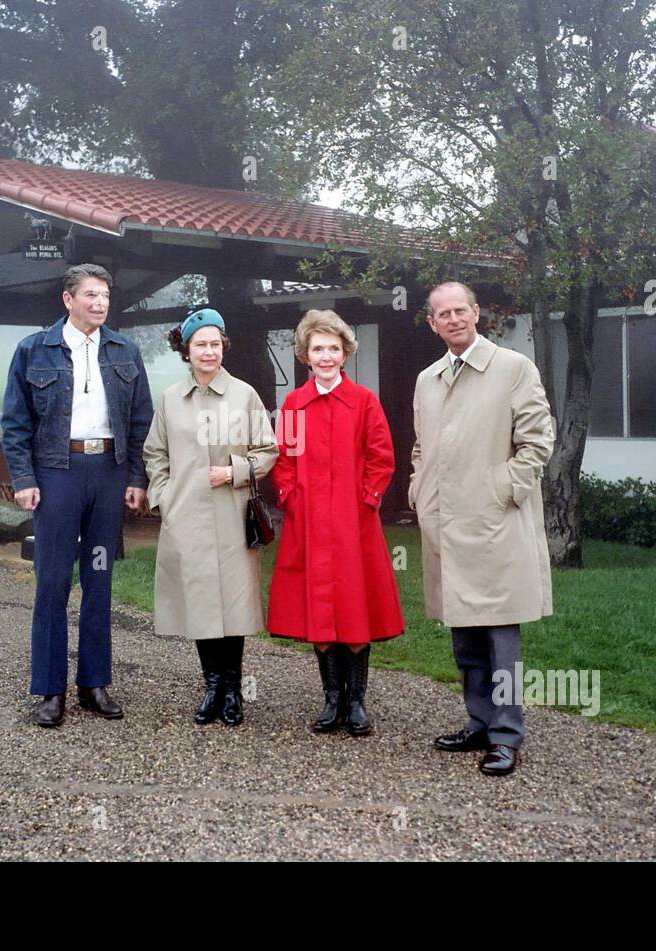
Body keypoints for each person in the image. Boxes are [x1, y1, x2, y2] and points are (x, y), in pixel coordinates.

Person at [410, 281, 554, 776]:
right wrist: (418, 489)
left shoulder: (513, 369)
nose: (453, 319)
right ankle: (479, 721)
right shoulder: (428, 378)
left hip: (494, 524)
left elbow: (537, 441)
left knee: (500, 634)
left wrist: (504, 490)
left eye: (460, 310)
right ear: (432, 323)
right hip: (447, 525)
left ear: (476, 314)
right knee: (464, 632)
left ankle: (507, 735)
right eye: (442, 314)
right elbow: (421, 447)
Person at [1, 263, 153, 728]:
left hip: (108, 473)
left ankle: (94, 684)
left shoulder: (125, 350)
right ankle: (50, 689)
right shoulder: (33, 351)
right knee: (52, 582)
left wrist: (137, 477)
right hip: (56, 475)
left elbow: (140, 422)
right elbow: (15, 424)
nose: (100, 303)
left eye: (105, 295)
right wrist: (24, 479)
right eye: (90, 294)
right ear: (68, 300)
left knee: (100, 579)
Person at [267, 310, 404, 736]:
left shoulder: (364, 401)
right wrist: (290, 497)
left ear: (345, 352)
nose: (325, 356)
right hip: (308, 523)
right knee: (319, 613)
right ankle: (331, 700)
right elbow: (284, 460)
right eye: (317, 348)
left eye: (333, 348)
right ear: (305, 355)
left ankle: (357, 702)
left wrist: (366, 501)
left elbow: (382, 458)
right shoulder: (293, 404)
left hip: (353, 525)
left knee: (354, 608)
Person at [142, 309, 278, 726]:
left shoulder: (244, 395)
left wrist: (234, 471)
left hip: (231, 515)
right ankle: (212, 686)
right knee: (200, 603)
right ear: (187, 349)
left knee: (233, 604)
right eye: (200, 344)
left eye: (215, 344)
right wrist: (165, 498)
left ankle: (234, 691)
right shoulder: (170, 399)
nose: (208, 351)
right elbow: (155, 454)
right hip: (187, 517)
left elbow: (267, 451)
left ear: (224, 347)